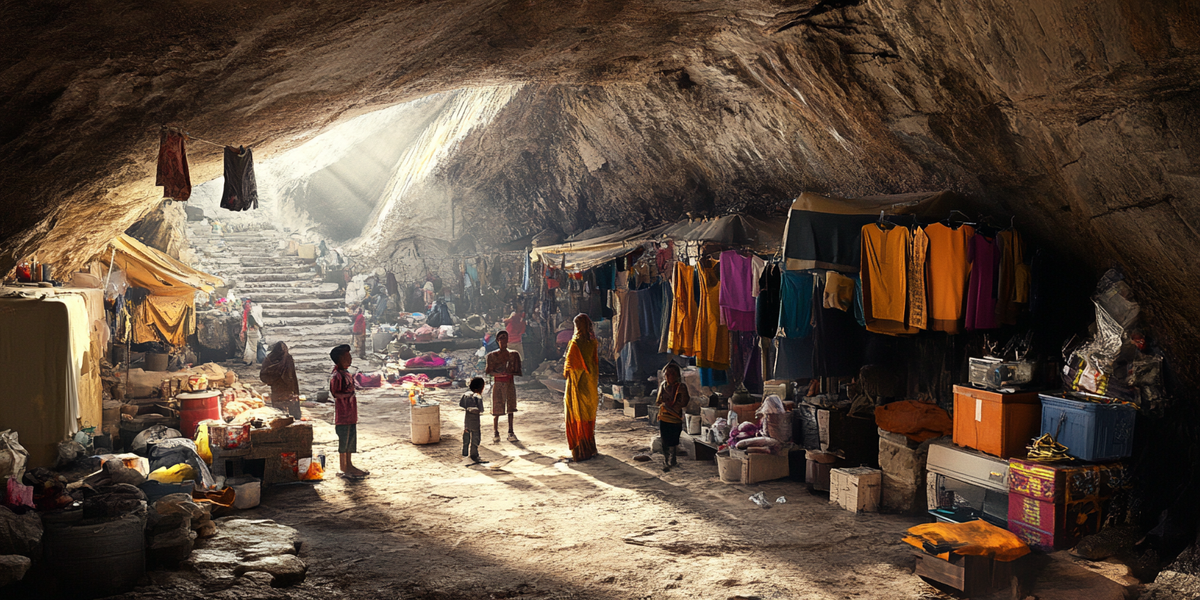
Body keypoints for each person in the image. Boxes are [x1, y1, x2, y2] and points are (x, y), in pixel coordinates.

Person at [562, 313, 599, 462]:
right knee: (588, 417)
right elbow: (595, 364)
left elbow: (570, 368)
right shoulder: (592, 342)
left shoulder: (575, 343)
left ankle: (580, 450)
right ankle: (590, 447)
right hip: (590, 385)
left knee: (576, 415)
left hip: (576, 386)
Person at [329, 344, 367, 479]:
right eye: (346, 357)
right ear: (339, 360)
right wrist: (348, 396)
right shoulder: (337, 376)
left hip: (351, 413)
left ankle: (349, 464)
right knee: (343, 440)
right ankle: (344, 466)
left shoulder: (346, 374)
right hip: (343, 413)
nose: (350, 360)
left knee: (351, 439)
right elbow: (335, 394)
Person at [485, 330, 523, 443]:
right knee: (497, 409)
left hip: (509, 383)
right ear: (497, 340)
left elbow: (518, 371)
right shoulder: (491, 356)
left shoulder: (514, 355)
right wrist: (498, 374)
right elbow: (488, 371)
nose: (503, 340)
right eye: (501, 338)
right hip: (498, 383)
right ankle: (496, 432)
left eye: (505, 338)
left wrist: (510, 372)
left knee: (511, 408)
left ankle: (510, 431)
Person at [655, 362, 690, 472]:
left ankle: (673, 458)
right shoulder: (663, 386)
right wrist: (664, 404)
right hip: (664, 416)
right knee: (665, 439)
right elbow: (658, 401)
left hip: (675, 417)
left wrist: (673, 405)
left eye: (671, 374)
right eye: (666, 374)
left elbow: (684, 401)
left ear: (677, 375)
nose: (668, 376)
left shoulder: (681, 387)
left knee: (674, 439)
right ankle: (666, 460)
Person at [260, 342, 301, 419]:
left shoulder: (269, 358)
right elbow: (292, 374)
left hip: (276, 388)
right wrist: (295, 390)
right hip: (287, 387)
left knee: (278, 409)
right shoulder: (287, 358)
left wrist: (271, 380)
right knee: (290, 405)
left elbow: (263, 374)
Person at [459, 377, 486, 464]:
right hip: (475, 421)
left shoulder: (466, 395)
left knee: (466, 436)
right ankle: (474, 455)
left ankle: (465, 453)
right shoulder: (477, 397)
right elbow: (481, 409)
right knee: (475, 439)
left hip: (467, 420)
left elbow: (461, 404)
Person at [241, 299, 263, 365]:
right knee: (251, 346)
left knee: (251, 347)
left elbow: (250, 323)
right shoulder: (257, 312)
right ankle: (250, 360)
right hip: (255, 331)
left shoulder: (251, 315)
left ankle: (249, 360)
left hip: (252, 331)